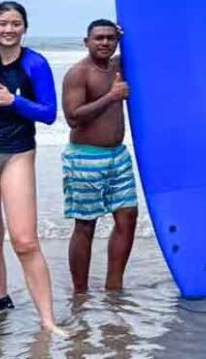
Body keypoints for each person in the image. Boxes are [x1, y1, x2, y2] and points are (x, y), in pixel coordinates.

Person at [0, 1, 64, 333]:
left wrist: (15, 102)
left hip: (16, 154)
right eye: (2, 23)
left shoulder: (35, 64)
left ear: (24, 27)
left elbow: (49, 113)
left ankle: (47, 320)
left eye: (15, 24)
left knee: (25, 240)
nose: (8, 30)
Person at [62, 19, 138, 292]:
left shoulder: (119, 66)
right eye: (98, 38)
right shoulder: (78, 73)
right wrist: (111, 96)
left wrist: (133, 27)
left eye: (110, 38)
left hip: (117, 155)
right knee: (85, 225)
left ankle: (113, 286)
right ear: (87, 41)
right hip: (85, 157)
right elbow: (73, 117)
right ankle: (80, 291)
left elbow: (147, 48)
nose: (105, 42)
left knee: (128, 217)